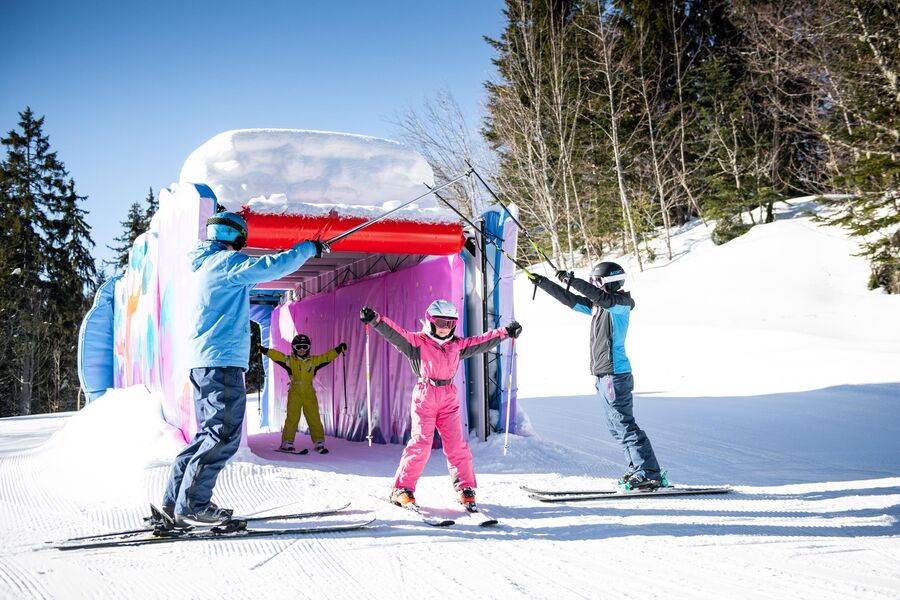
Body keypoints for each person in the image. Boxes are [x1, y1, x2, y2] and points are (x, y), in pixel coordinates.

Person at [161, 211, 329, 526]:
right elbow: (271, 266)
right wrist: (309, 249)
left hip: (204, 363)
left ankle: (176, 503)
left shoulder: (202, 265)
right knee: (223, 434)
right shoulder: (225, 265)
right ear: (236, 237)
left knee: (208, 434)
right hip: (220, 362)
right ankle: (193, 506)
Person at [359, 299, 522, 508]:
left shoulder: (457, 345)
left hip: (448, 398)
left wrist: (506, 332)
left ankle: (465, 488)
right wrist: (375, 320)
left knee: (457, 445)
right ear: (430, 321)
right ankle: (402, 488)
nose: (446, 329)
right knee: (422, 443)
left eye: (450, 324)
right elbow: (395, 333)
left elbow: (481, 341)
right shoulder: (417, 342)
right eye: (441, 323)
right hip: (425, 396)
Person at [528, 262, 665, 490]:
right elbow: (570, 300)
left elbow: (600, 298)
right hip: (603, 375)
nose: (594, 285)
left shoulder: (620, 304)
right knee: (616, 427)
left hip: (615, 374)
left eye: (597, 281)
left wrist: (573, 281)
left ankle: (649, 473)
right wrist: (544, 283)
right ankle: (638, 471)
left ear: (608, 283)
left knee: (624, 425)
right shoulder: (599, 306)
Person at [260, 333, 347, 455]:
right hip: (295, 392)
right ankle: (287, 442)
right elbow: (277, 356)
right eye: (298, 347)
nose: (301, 350)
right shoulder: (289, 361)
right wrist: (264, 350)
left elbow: (326, 357)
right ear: (293, 348)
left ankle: (319, 441)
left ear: (309, 348)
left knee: (314, 417)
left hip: (309, 393)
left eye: (304, 347)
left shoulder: (314, 361)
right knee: (292, 418)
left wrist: (338, 349)